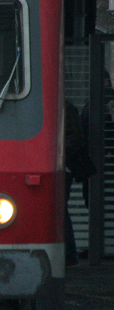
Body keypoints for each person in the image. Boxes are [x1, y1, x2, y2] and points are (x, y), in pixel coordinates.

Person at [65, 99, 96, 266]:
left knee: (59, 210)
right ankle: (69, 254)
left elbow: (76, 139)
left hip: (64, 167)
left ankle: (69, 254)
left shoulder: (64, 107)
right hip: (64, 167)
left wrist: (57, 154)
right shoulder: (65, 107)